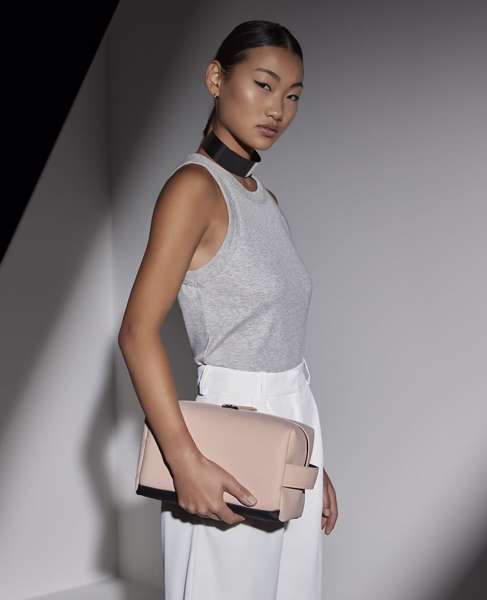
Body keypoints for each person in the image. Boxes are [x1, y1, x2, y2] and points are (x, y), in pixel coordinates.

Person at [118, 19, 338, 600]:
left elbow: (277, 343)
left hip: (290, 427)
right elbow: (137, 332)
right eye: (263, 85)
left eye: (293, 95)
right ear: (217, 78)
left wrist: (308, 460)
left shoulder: (265, 201)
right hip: (228, 437)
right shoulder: (194, 188)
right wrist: (183, 460)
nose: (278, 110)